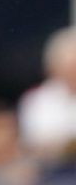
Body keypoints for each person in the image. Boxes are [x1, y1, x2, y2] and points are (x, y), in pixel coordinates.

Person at [18, 26, 76, 181]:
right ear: (54, 67)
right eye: (69, 66)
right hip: (48, 173)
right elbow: (34, 145)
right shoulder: (37, 100)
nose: (73, 71)